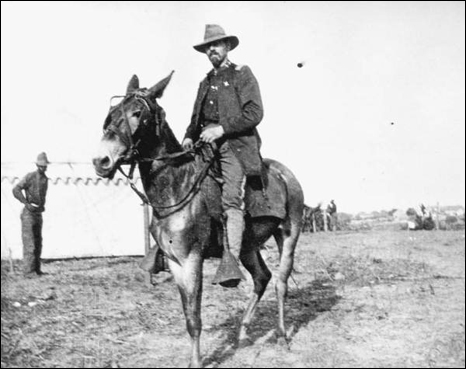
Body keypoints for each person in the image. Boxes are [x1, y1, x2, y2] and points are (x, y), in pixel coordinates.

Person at [182, 24, 264, 287]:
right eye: (208, 47)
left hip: (234, 144)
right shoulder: (205, 82)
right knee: (183, 187)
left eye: (216, 45)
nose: (212, 50)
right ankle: (166, 248)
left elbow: (254, 113)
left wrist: (222, 129)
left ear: (227, 47)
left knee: (231, 199)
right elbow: (196, 119)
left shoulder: (242, 74)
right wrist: (187, 136)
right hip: (204, 144)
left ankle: (232, 261)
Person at [12, 152, 50, 277]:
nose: (42, 168)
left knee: (38, 242)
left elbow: (41, 196)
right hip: (28, 214)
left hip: (38, 213)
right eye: (40, 165)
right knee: (30, 243)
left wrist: (41, 206)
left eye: (44, 166)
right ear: (36, 165)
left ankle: (36, 269)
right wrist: (26, 203)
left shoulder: (45, 179)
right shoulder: (30, 176)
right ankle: (28, 271)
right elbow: (16, 189)